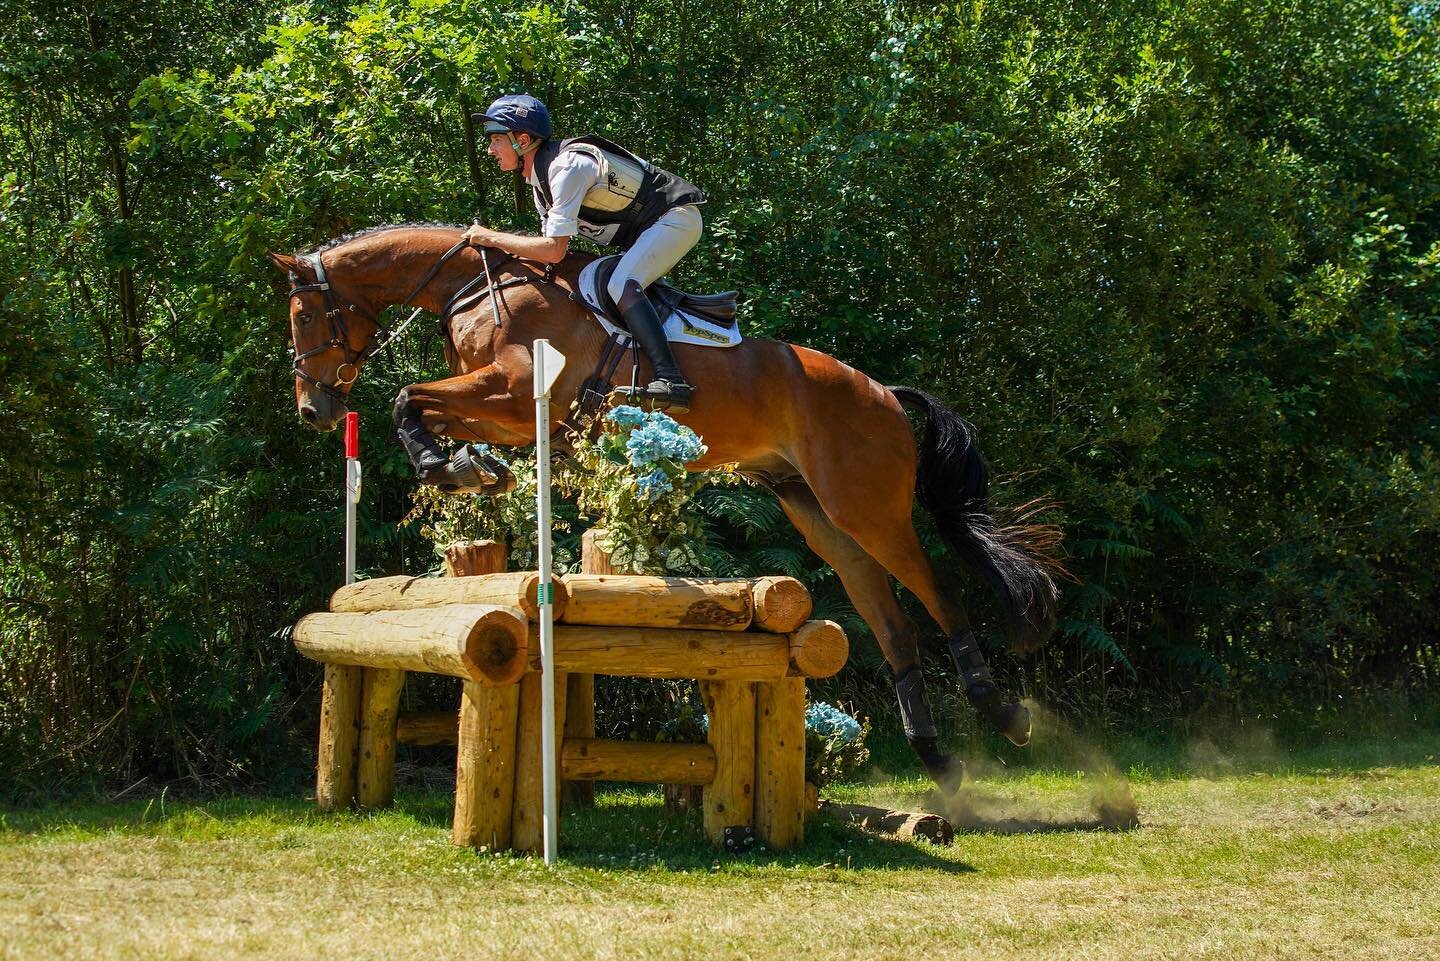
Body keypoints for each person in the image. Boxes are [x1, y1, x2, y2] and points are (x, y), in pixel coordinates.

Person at [462, 94, 707, 413]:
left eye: (496, 140)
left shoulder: (566, 167)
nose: (490, 149)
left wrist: (491, 237)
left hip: (675, 218)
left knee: (621, 282)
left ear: (522, 140)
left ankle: (671, 379)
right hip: (646, 230)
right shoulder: (541, 186)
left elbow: (552, 250)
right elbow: (552, 256)